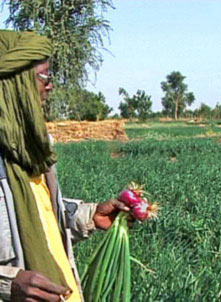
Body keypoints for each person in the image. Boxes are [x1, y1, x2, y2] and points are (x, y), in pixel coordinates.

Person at [0, 30, 131, 302]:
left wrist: (90, 215)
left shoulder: (32, 147)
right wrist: (7, 283)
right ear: (16, 81)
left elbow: (44, 214)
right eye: (44, 76)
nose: (50, 85)